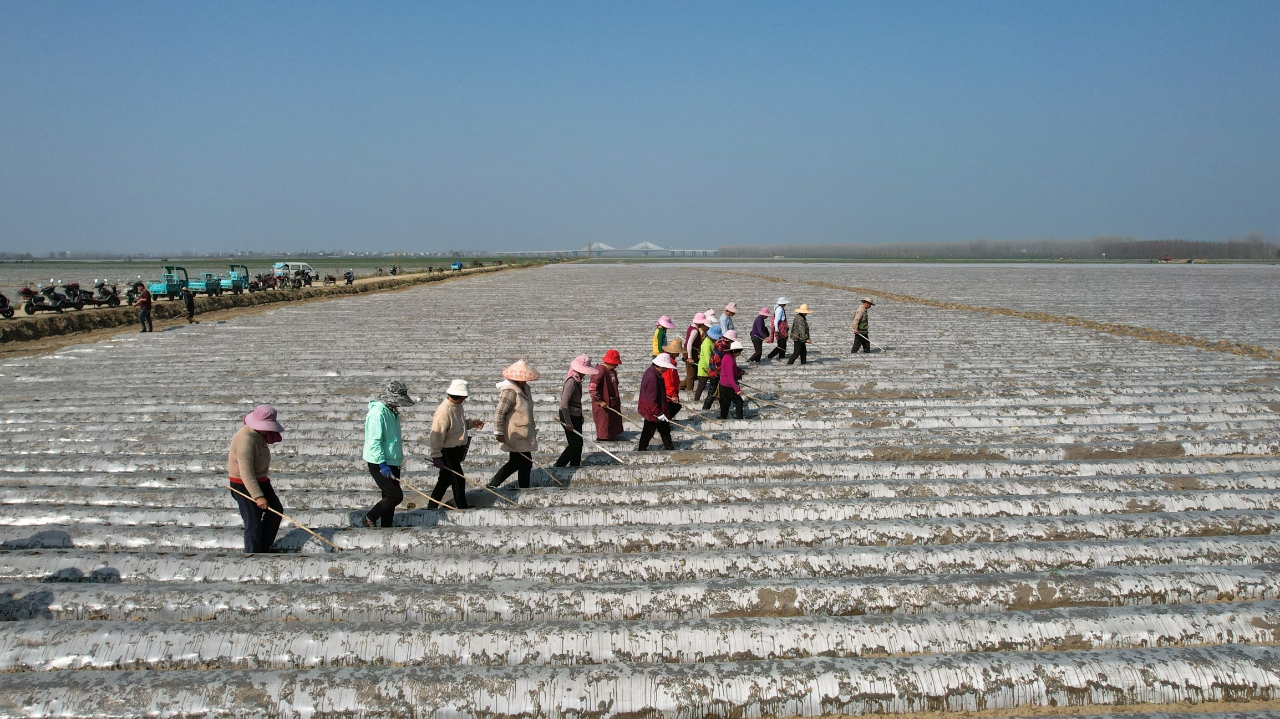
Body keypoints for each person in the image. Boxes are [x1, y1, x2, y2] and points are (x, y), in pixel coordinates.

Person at [228, 405, 286, 553]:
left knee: (275, 511)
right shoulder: (245, 441)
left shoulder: (258, 434)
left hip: (261, 481)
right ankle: (252, 555)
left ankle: (263, 547)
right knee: (253, 522)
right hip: (243, 485)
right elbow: (246, 472)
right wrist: (258, 496)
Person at [362, 380, 415, 528]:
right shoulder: (377, 413)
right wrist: (382, 464)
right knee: (395, 496)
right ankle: (369, 517)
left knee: (387, 496)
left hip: (392, 460)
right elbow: (374, 441)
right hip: (379, 462)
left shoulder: (391, 411)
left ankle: (386, 526)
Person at [428, 380, 483, 510]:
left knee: (445, 480)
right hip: (447, 451)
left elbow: (458, 424)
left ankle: (431, 506)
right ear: (461, 396)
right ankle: (462, 507)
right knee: (458, 479)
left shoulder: (457, 406)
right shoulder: (444, 411)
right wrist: (436, 455)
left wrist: (471, 424)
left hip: (456, 450)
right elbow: (437, 434)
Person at [488, 359, 540, 490]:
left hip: (524, 432)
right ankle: (524, 489)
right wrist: (498, 432)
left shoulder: (525, 388)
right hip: (515, 432)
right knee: (525, 463)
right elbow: (500, 412)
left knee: (515, 462)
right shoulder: (510, 391)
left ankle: (493, 484)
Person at [556, 355, 599, 467]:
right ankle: (559, 465)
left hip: (575, 415)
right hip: (568, 416)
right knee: (574, 445)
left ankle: (575, 465)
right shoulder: (571, 382)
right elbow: (564, 404)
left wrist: (580, 415)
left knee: (578, 444)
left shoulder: (577, 380)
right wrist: (568, 422)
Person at [638, 355, 676, 451]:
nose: (667, 369)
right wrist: (658, 413)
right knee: (648, 432)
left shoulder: (653, 372)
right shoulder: (652, 377)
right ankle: (641, 449)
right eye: (666, 367)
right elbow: (650, 399)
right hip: (653, 411)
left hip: (656, 408)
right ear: (660, 366)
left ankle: (669, 448)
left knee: (664, 431)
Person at [590, 349, 624, 441]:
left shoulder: (612, 371)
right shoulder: (599, 371)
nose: (616, 365)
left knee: (612, 422)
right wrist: (599, 401)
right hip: (603, 403)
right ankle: (603, 438)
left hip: (612, 401)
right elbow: (592, 389)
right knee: (604, 423)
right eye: (615, 363)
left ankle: (611, 435)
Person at [702, 326, 731, 411]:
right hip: (715, 372)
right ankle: (705, 409)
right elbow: (717, 361)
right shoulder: (721, 345)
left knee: (720, 392)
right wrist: (721, 371)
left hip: (715, 371)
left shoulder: (719, 343)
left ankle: (723, 410)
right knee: (712, 392)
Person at [719, 341, 746, 419]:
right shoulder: (729, 359)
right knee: (739, 401)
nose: (739, 354)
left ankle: (723, 418)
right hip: (727, 385)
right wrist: (737, 389)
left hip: (724, 384)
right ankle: (739, 419)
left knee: (726, 403)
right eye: (738, 352)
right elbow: (730, 377)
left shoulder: (729, 357)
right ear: (734, 351)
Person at [683, 313, 708, 391]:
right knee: (691, 375)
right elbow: (689, 344)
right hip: (690, 352)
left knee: (692, 373)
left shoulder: (692, 327)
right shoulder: (695, 331)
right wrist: (690, 357)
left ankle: (681, 386)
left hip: (690, 351)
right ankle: (689, 391)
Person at [661, 339, 684, 419]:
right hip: (668, 394)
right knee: (671, 409)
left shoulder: (668, 359)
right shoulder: (668, 363)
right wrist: (673, 395)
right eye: (677, 352)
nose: (678, 354)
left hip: (668, 393)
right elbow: (668, 381)